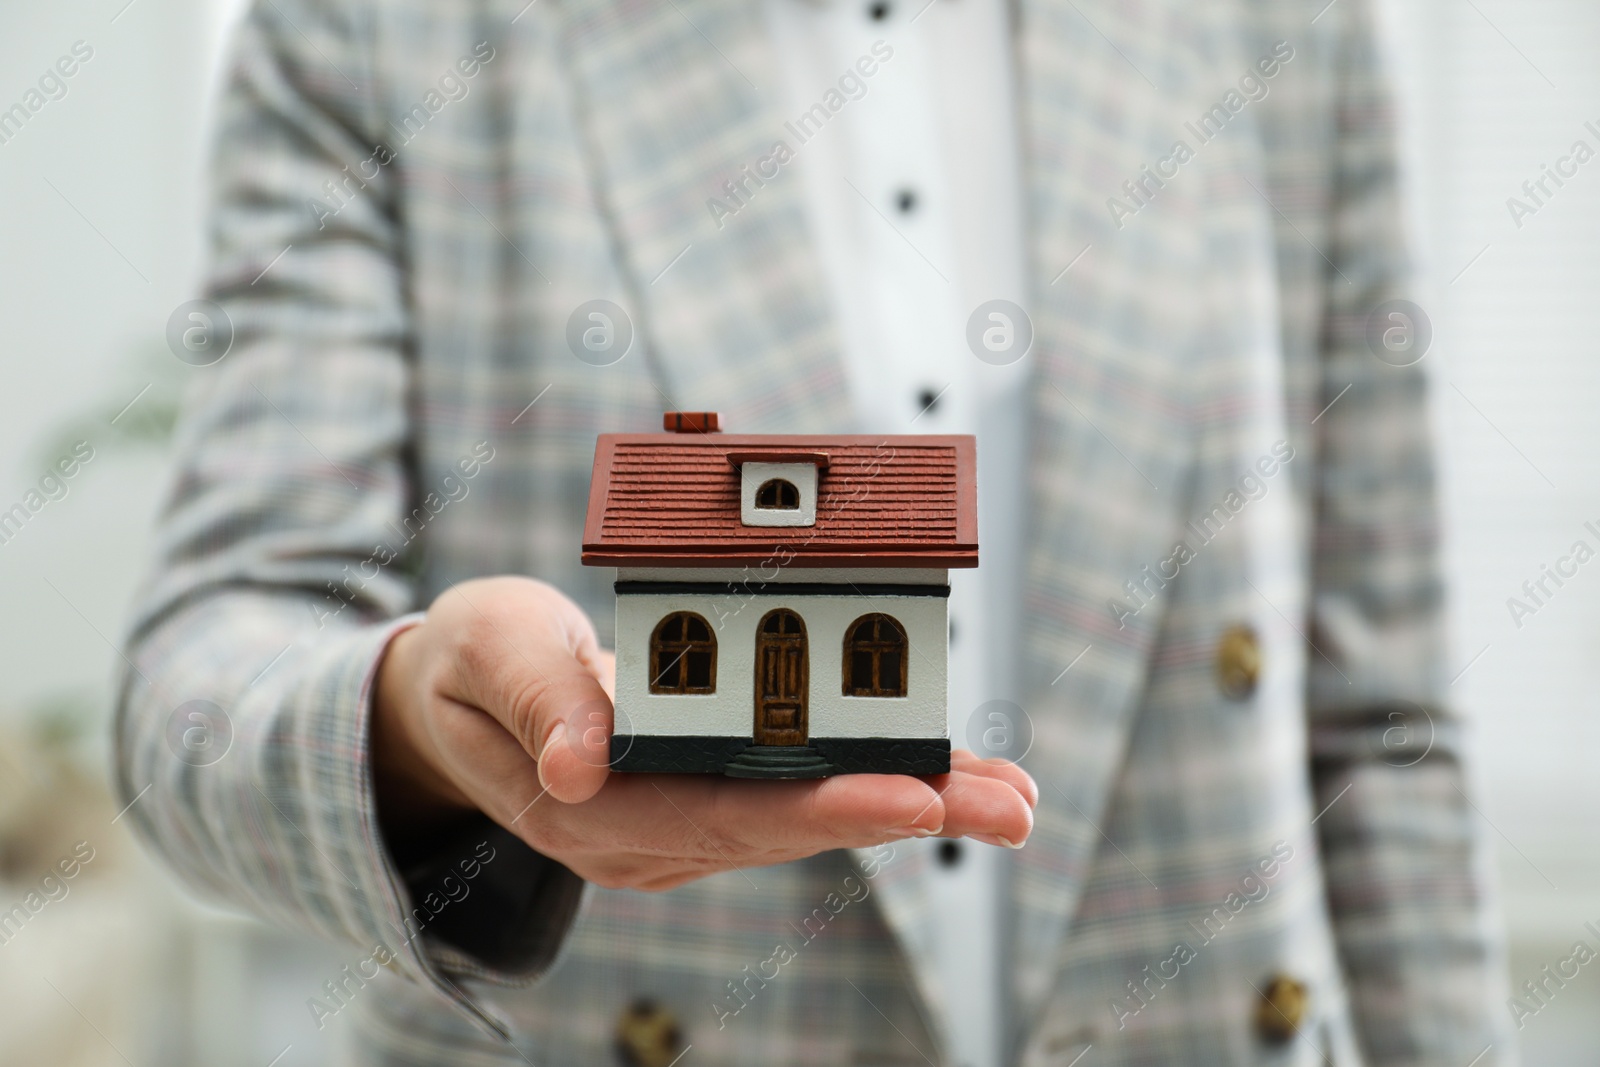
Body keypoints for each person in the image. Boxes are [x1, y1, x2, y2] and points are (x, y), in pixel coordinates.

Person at [116, 0, 1511, 1063]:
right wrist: (417, 717)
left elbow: (1384, 727)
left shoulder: (1290, 27)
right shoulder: (374, 29)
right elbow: (198, 675)